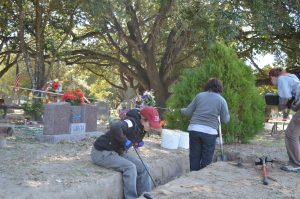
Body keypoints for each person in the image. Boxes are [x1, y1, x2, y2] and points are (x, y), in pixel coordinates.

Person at [91, 106, 161, 199]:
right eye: (150, 124)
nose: (152, 127)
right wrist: (125, 141)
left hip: (118, 151)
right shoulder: (131, 122)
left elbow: (132, 136)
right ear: (143, 119)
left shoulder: (141, 126)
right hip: (102, 152)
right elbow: (115, 127)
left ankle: (144, 196)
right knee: (130, 167)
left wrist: (135, 142)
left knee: (144, 167)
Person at [181, 78, 230, 171]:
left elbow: (187, 112)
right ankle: (202, 178)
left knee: (194, 156)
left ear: (207, 86)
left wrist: (181, 110)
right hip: (209, 132)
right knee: (206, 159)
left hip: (194, 129)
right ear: (220, 88)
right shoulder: (221, 100)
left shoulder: (199, 96)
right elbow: (226, 120)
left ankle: (193, 177)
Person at [269, 67, 300, 171]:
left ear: (273, 77)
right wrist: (293, 106)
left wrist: (280, 107)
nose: (272, 82)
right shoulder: (292, 77)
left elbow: (285, 97)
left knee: (291, 134)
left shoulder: (281, 79)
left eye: (271, 80)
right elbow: (294, 98)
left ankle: (295, 164)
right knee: (297, 134)